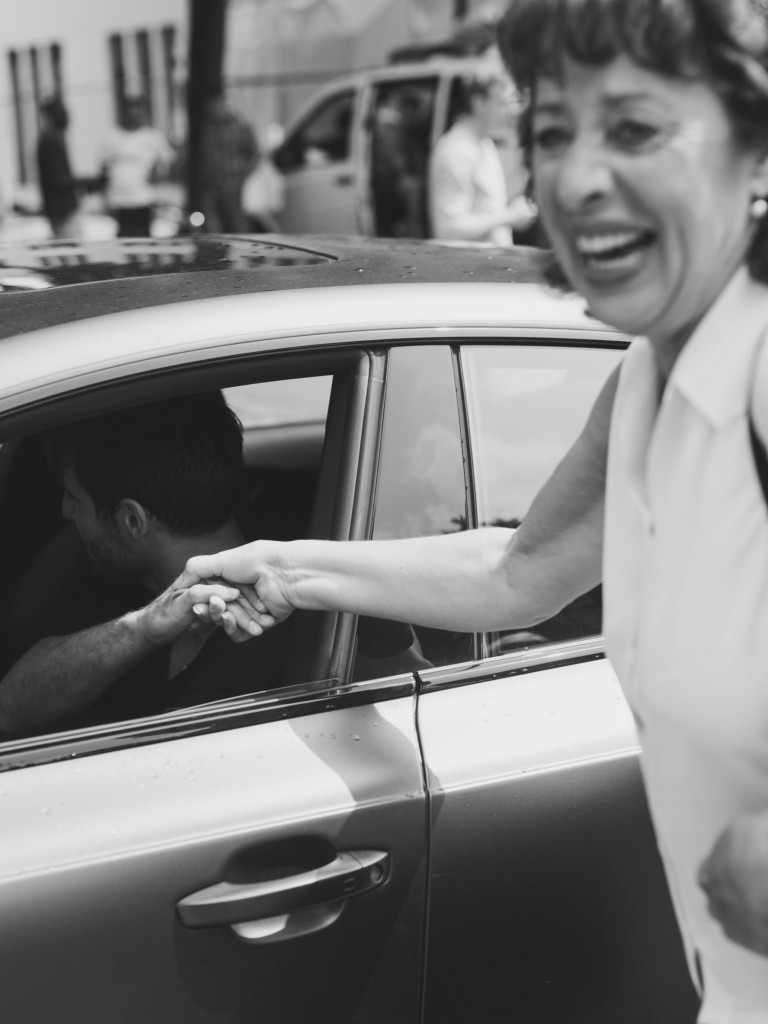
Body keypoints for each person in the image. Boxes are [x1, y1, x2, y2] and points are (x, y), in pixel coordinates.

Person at [187, 0, 768, 1019]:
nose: (578, 178)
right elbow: (518, 571)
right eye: (554, 132)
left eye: (635, 128)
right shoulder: (648, 383)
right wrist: (288, 566)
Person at [0, 393, 282, 739]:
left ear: (132, 520)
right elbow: (10, 708)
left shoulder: (257, 638)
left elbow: (180, 762)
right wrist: (144, 628)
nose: (65, 512)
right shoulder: (121, 576)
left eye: (74, 497)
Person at [428, 73, 537, 246]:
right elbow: (448, 228)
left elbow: (487, 204)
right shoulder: (457, 151)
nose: (510, 111)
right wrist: (509, 216)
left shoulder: (484, 142)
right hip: (472, 263)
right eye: (502, 102)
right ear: (479, 103)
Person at [99, 95, 173, 237]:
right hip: (118, 200)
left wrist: (157, 175)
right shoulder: (112, 136)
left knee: (143, 237)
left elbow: (168, 160)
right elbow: (104, 167)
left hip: (143, 198)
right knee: (123, 238)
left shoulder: (152, 136)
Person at [198, 94, 259, 234]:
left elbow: (254, 154)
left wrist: (242, 176)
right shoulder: (208, 128)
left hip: (232, 185)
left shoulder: (240, 127)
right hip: (212, 186)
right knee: (215, 227)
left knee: (236, 223)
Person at [36, 97, 83, 239]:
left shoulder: (53, 138)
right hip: (62, 211)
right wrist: (85, 182)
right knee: (71, 247)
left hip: (62, 210)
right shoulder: (50, 140)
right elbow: (57, 179)